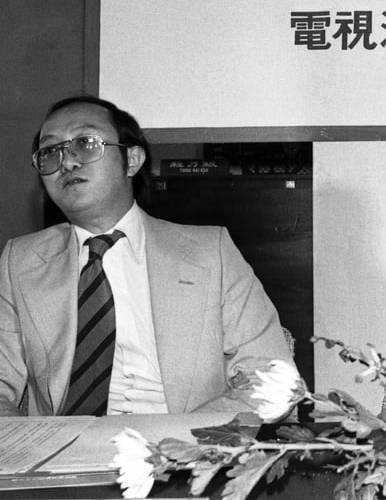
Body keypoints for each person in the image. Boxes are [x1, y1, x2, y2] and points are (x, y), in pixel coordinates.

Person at [0, 95, 294, 416]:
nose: (67, 162)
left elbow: (271, 376)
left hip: (179, 446)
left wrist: (185, 448)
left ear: (132, 160)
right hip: (64, 454)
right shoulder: (20, 261)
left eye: (86, 143)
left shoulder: (212, 253)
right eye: (50, 151)